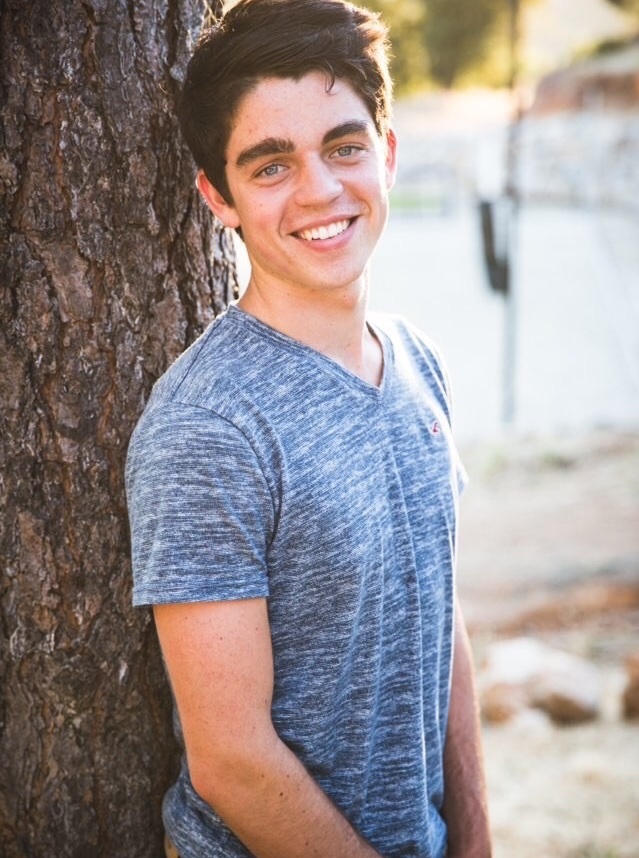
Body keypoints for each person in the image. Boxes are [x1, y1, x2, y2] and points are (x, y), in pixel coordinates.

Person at [125, 1, 492, 856]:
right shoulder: (208, 427)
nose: (320, 189)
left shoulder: (416, 361)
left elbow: (438, 615)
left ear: (387, 154)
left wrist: (474, 838)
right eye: (271, 165)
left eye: (343, 146)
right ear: (217, 197)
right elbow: (231, 762)